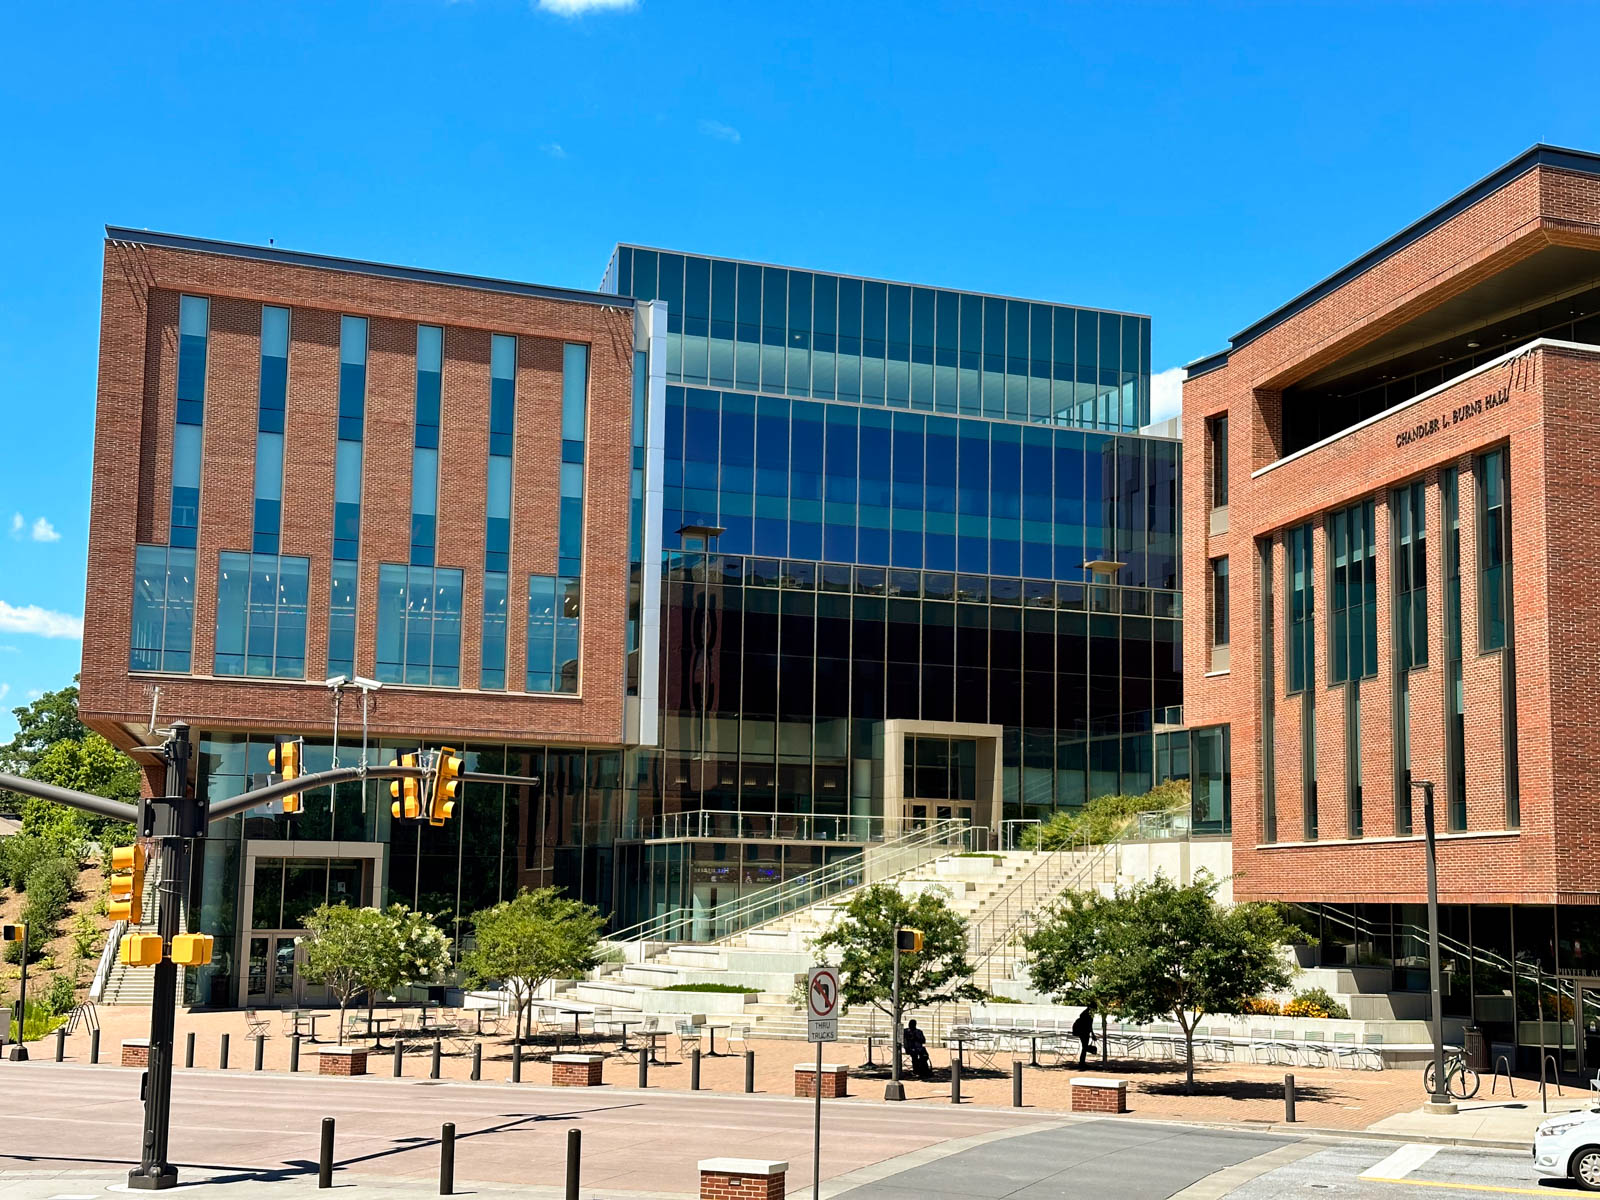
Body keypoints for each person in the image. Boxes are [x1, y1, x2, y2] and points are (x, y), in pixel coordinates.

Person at [1071, 1002, 1097, 1068]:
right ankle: (1082, 1062)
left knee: (1084, 1047)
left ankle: (1082, 1062)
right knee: (1085, 1047)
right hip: (1084, 1032)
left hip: (1082, 1032)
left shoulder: (1084, 1013)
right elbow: (1089, 1025)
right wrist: (1092, 1034)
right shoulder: (1088, 1014)